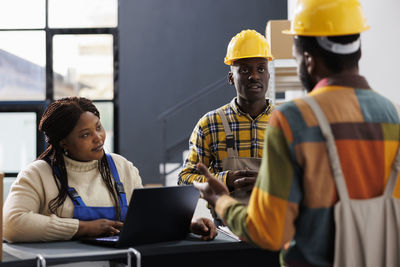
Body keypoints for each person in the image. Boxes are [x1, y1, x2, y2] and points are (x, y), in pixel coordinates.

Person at [194, 0, 400, 266]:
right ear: (357, 53)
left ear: (308, 59)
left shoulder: (294, 119)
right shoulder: (394, 117)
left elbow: (269, 232)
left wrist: (220, 200)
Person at [3, 96, 217, 242]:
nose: (98, 137)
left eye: (98, 127)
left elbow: (146, 218)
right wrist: (82, 228)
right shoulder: (38, 174)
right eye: (85, 134)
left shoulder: (121, 167)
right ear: (63, 142)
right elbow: (11, 223)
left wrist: (187, 224)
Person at [178, 29, 274, 210]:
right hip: (226, 231)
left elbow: (308, 178)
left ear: (268, 75)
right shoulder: (210, 125)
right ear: (231, 78)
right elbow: (184, 180)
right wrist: (225, 179)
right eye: (244, 70)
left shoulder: (287, 122)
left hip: (277, 229)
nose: (254, 76)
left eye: (261, 69)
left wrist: (272, 182)